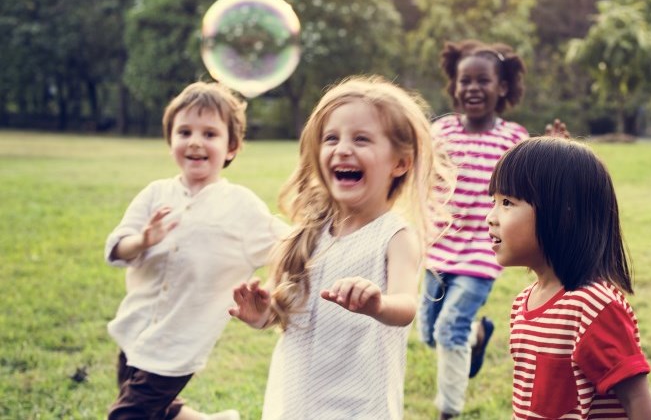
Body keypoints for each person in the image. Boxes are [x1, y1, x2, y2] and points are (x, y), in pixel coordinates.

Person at [228, 75, 451, 419]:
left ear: (400, 163)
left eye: (361, 139)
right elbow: (284, 306)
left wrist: (378, 304)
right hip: (298, 396)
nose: (342, 148)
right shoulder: (308, 233)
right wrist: (262, 315)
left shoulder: (395, 235)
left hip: (359, 402)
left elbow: (406, 304)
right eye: (331, 138)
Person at [104, 82, 288, 420]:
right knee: (152, 407)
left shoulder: (241, 206)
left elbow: (287, 245)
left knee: (127, 416)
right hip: (136, 327)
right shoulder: (155, 193)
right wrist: (143, 240)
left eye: (209, 134)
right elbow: (118, 247)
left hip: (179, 341)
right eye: (184, 131)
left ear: (231, 147)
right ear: (170, 139)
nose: (195, 141)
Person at [487, 137, 651, 419]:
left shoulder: (594, 307)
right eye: (493, 201)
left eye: (507, 202)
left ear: (561, 214)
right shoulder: (523, 303)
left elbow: (636, 398)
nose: (491, 217)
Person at [417, 38, 531, 419]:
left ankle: (449, 410)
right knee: (429, 333)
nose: (472, 88)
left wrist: (555, 148)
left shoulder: (513, 138)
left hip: (484, 250)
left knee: (450, 326)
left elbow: (533, 177)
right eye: (464, 81)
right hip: (438, 246)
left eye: (483, 80)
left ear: (502, 87)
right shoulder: (441, 131)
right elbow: (420, 174)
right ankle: (479, 335)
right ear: (454, 86)